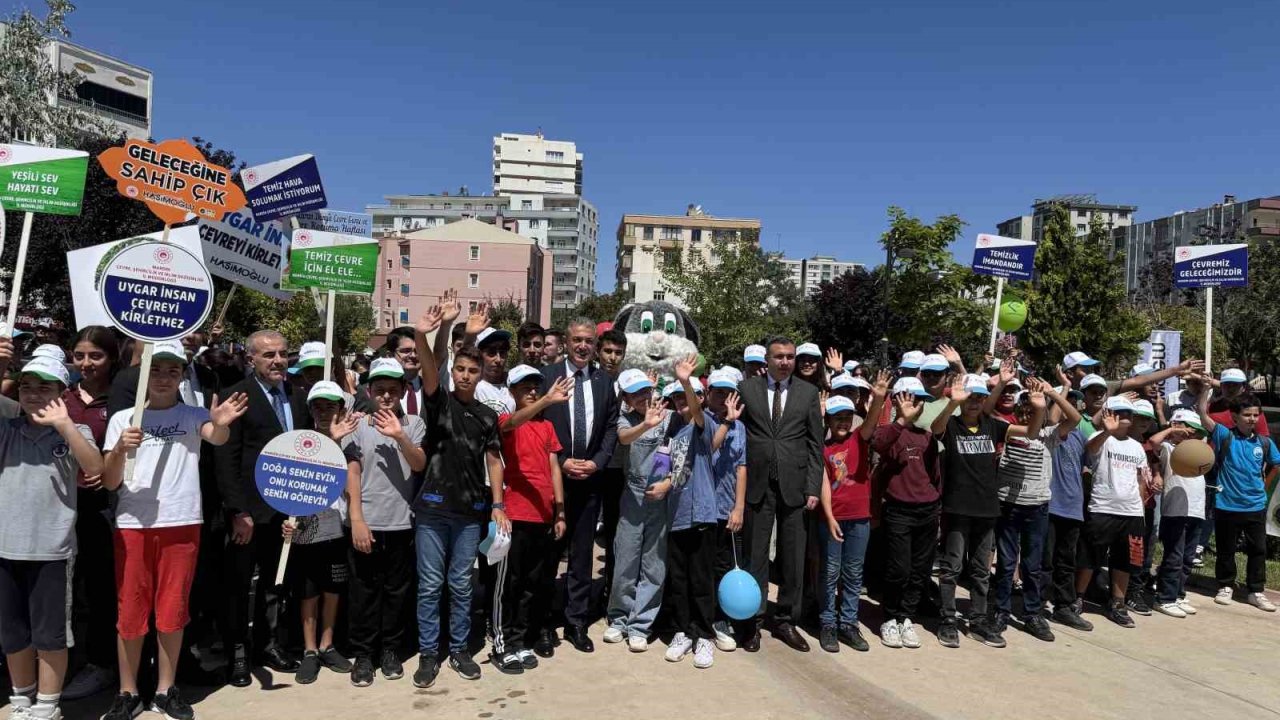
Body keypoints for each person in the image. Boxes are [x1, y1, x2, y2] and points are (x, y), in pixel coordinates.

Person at [100, 340, 248, 720]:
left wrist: (220, 424)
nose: (164, 378)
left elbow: (216, 437)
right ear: (143, 375)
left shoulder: (192, 414)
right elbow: (110, 481)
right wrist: (118, 450)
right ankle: (128, 691)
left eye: (172, 371)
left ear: (182, 376)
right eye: (157, 370)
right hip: (133, 526)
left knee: (172, 611)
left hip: (182, 525)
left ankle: (167, 689)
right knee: (130, 613)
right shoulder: (122, 420)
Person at [1, 356, 103, 720]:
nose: (33, 394)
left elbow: (96, 468)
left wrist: (65, 425)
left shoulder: (77, 430)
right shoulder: (7, 428)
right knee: (12, 634)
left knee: (50, 635)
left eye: (44, 387)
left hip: (52, 551)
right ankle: (22, 697)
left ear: (62, 392)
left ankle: (48, 704)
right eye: (26, 386)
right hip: (4, 548)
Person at [410, 305, 507, 687]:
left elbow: (495, 460)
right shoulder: (439, 401)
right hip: (433, 511)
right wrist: (424, 335)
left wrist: (498, 504)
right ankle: (429, 654)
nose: (466, 376)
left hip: (470, 512)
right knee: (431, 585)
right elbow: (434, 367)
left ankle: (460, 650)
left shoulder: (486, 415)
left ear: (481, 374)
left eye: (473, 370)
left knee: (462, 584)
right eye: (461, 370)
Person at [214, 330, 310, 685]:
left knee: (276, 581)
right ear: (250, 358)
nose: (278, 361)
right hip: (248, 514)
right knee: (239, 586)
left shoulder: (296, 397)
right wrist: (238, 511)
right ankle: (238, 652)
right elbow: (227, 458)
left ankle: (267, 645)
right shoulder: (236, 397)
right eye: (268, 355)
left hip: (285, 510)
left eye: (283, 354)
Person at [931, 374, 1044, 649]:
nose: (974, 402)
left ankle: (978, 620)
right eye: (970, 397)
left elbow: (1030, 433)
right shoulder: (953, 425)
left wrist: (1040, 408)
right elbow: (935, 429)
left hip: (986, 509)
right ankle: (947, 620)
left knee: (981, 570)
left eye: (980, 397)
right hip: (957, 509)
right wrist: (950, 405)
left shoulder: (993, 426)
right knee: (952, 567)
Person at [343, 358, 427, 687]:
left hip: (401, 524)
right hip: (366, 522)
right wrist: (357, 519)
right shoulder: (358, 423)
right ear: (369, 391)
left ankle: (391, 650)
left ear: (405, 391)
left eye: (394, 389)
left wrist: (400, 436)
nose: (387, 396)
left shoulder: (415, 423)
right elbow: (352, 470)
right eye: (380, 390)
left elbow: (419, 464)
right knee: (363, 592)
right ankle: (364, 654)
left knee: (396, 592)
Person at [539, 318, 620, 654]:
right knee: (548, 555)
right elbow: (536, 429)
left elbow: (612, 426)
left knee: (583, 556)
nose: (583, 346)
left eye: (589, 340)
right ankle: (543, 624)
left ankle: (575, 623)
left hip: (589, 481)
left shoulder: (604, 382)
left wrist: (597, 462)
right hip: (553, 481)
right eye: (577, 340)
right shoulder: (546, 378)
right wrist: (560, 462)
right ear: (566, 342)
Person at [738, 337, 823, 653]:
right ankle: (753, 622)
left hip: (795, 487)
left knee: (793, 558)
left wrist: (813, 487)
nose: (785, 362)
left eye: (790, 357)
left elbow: (816, 444)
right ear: (768, 359)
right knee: (755, 557)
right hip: (758, 486)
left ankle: (786, 620)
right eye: (779, 357)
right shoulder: (748, 389)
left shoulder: (808, 393)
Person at [489, 366, 570, 674]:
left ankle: (521, 640)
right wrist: (547, 400)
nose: (532, 391)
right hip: (515, 514)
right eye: (525, 387)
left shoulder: (547, 427)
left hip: (543, 516)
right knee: (510, 583)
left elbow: (554, 469)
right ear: (512, 392)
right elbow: (512, 422)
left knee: (532, 584)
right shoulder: (506, 422)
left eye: (536, 386)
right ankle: (504, 642)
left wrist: (559, 511)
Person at [58, 328, 121, 702]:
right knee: (63, 589)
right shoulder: (60, 396)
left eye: (95, 356)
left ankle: (100, 664)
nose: (86, 363)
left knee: (99, 589)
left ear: (111, 358)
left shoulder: (121, 399)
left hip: (102, 509)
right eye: (79, 355)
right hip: (60, 506)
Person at [991, 379, 1080, 643]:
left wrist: (1053, 393)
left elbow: (1073, 418)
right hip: (1008, 504)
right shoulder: (1009, 430)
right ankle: (1001, 611)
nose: (1030, 413)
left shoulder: (1050, 435)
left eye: (1034, 410)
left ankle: (1032, 613)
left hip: (1038, 506)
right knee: (1006, 564)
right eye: (1026, 409)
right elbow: (1023, 427)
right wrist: (1037, 407)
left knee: (1033, 565)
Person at [285, 382, 360, 686]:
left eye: (331, 406)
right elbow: (288, 483)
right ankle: (310, 650)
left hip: (335, 528)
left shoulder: (351, 444)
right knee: (308, 592)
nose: (325, 411)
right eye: (319, 406)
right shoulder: (299, 442)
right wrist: (287, 519)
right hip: (305, 529)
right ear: (310, 410)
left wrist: (337, 442)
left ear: (342, 409)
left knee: (332, 590)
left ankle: (328, 644)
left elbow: (347, 483)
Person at [817, 369, 890, 654]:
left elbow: (871, 421)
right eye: (837, 418)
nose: (844, 422)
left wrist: (880, 397)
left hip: (859, 518)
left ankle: (849, 623)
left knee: (853, 573)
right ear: (829, 420)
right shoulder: (823, 448)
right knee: (830, 572)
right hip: (833, 519)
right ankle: (827, 623)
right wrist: (829, 516)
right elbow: (823, 483)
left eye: (847, 417)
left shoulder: (859, 439)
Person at [656, 358, 720, 669]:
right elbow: (674, 473)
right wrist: (662, 487)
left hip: (703, 514)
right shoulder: (674, 435)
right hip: (677, 515)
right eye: (678, 399)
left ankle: (704, 635)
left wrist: (685, 381)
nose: (682, 404)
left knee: (701, 579)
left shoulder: (704, 423)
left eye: (688, 397)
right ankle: (683, 631)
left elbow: (695, 413)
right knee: (679, 579)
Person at [1197, 387, 1278, 612]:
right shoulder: (1225, 434)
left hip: (1256, 505)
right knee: (1226, 549)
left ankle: (1256, 591)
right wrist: (1206, 390)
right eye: (1247, 414)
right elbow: (1202, 415)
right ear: (1235, 416)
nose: (1252, 419)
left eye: (1255, 415)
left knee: (1258, 550)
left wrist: (1265, 485)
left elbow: (1276, 463)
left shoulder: (1264, 443)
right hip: (1227, 503)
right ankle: (1225, 586)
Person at [873, 377, 940, 649]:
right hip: (898, 510)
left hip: (927, 510)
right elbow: (878, 446)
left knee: (920, 570)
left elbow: (935, 475)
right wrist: (901, 420)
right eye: (910, 399)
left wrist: (937, 505)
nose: (916, 405)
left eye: (920, 400)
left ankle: (906, 617)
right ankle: (889, 617)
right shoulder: (889, 431)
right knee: (898, 569)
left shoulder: (927, 437)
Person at [1077, 396, 1152, 628]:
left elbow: (1140, 479)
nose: (1126, 417)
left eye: (1129, 414)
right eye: (1120, 413)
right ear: (1109, 414)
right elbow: (1090, 449)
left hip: (1131, 513)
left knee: (1126, 561)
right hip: (1103, 508)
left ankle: (1118, 602)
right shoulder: (1099, 438)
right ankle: (1077, 597)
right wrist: (1106, 432)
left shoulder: (1137, 446)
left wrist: (1140, 509)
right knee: (1090, 557)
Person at [704, 371, 746, 652]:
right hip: (702, 508)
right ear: (708, 394)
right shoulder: (701, 420)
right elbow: (705, 450)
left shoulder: (740, 427)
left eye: (729, 393)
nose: (723, 398)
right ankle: (700, 621)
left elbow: (741, 466)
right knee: (701, 568)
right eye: (718, 392)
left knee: (723, 565)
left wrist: (739, 506)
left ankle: (721, 620)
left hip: (727, 507)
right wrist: (726, 422)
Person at [1151, 409, 1207, 618]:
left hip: (1196, 511)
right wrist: (1172, 430)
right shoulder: (1168, 448)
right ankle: (1165, 597)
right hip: (1175, 511)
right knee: (1174, 556)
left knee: (1187, 558)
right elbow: (1153, 442)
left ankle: (1178, 594)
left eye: (1194, 433)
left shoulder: (1199, 452)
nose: (1189, 435)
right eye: (1186, 431)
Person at [596, 327, 629, 598]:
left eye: (618, 353)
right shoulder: (585, 381)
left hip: (618, 468)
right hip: (586, 466)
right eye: (608, 351)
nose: (612, 357)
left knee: (615, 534)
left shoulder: (629, 387)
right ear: (598, 352)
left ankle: (611, 592)